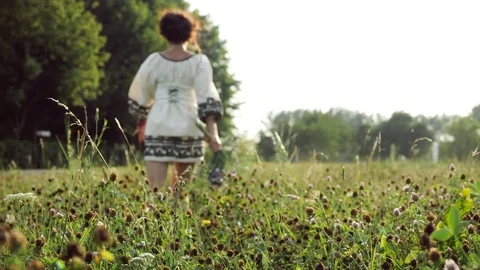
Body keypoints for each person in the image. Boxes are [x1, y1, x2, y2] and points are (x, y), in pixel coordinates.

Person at [127, 9, 223, 190]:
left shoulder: (153, 60)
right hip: (188, 127)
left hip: (158, 124)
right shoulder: (200, 62)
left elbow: (140, 95)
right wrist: (214, 134)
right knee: (180, 194)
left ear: (164, 33)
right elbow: (207, 98)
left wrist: (142, 123)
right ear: (190, 33)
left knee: (154, 192)